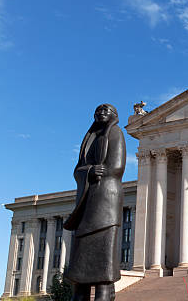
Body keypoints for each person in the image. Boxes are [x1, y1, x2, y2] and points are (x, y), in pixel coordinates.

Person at [64, 104, 126, 301]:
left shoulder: (115, 134)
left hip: (106, 202)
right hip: (86, 203)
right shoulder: (89, 140)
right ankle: (80, 294)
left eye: (106, 111)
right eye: (98, 111)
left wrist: (99, 173)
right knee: (81, 260)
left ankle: (104, 295)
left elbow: (117, 167)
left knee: (104, 258)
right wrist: (89, 171)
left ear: (114, 115)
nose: (101, 113)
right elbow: (77, 170)